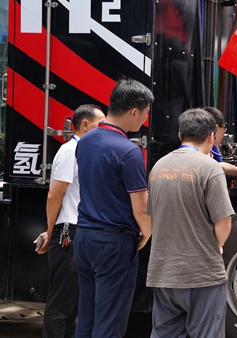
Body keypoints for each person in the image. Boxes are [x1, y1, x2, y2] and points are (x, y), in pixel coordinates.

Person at [74, 78, 153, 337]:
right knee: (109, 322)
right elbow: (140, 209)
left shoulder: (85, 141)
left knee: (87, 316)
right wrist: (146, 232)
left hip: (83, 237)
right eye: (145, 114)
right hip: (113, 242)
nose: (144, 120)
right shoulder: (128, 152)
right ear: (134, 111)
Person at [146, 108, 234, 338]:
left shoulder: (158, 167)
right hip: (201, 274)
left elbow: (153, 216)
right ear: (211, 137)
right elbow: (224, 223)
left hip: (163, 273)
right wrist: (214, 246)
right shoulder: (210, 168)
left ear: (179, 135)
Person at [34, 104, 105, 338]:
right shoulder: (69, 151)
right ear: (85, 124)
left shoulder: (87, 151)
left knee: (75, 304)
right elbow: (55, 194)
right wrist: (50, 231)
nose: (103, 128)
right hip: (68, 233)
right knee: (61, 303)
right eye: (99, 124)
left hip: (82, 232)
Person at [202, 106, 237, 180]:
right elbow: (221, 166)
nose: (224, 132)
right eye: (224, 128)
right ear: (217, 128)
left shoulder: (205, 149)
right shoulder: (203, 152)